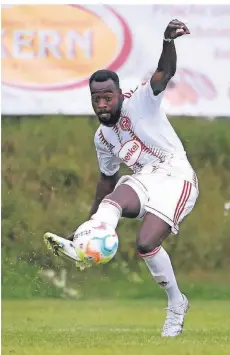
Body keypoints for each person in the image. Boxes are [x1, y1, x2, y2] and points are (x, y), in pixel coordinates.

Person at [44, 19, 199, 337]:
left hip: (177, 177)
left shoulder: (141, 100)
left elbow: (163, 74)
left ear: (118, 94)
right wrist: (90, 221)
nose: (102, 104)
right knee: (114, 198)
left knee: (145, 243)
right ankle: (89, 243)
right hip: (144, 179)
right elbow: (106, 181)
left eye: (107, 97)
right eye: (96, 99)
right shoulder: (103, 138)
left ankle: (176, 302)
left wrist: (167, 42)